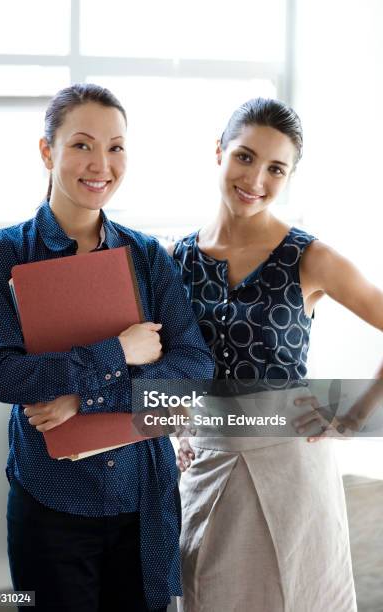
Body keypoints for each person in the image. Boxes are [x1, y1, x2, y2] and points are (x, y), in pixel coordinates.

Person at [0, 83, 214, 612]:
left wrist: (84, 399)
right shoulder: (4, 253)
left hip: (143, 500)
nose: (101, 163)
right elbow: (7, 377)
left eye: (116, 146)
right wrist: (120, 351)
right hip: (50, 502)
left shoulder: (148, 255)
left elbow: (194, 367)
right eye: (82, 144)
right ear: (47, 151)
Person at [170, 98, 383, 612]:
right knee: (207, 594)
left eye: (276, 168)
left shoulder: (311, 257)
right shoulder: (177, 256)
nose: (256, 178)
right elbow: (168, 357)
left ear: (289, 176)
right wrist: (176, 427)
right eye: (244, 157)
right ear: (218, 152)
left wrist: (353, 419)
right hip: (209, 460)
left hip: (292, 466)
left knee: (300, 596)